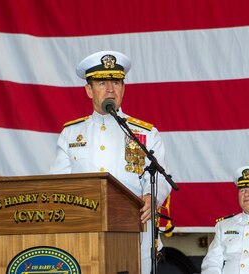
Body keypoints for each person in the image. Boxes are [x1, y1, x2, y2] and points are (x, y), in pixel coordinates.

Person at [49, 50, 172, 274]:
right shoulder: (71, 134)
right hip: (84, 232)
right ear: (89, 90)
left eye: (116, 82)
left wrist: (151, 197)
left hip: (135, 233)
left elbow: (160, 178)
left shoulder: (144, 133)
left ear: (123, 88)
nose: (110, 89)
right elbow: (57, 184)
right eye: (102, 82)